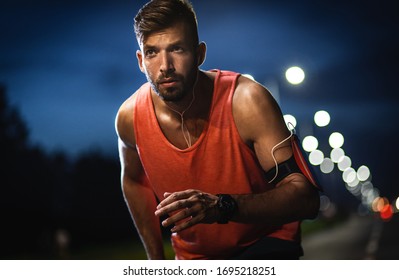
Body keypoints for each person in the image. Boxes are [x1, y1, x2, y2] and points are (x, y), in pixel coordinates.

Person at [115, 0, 321, 260]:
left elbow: (306, 199)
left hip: (265, 242)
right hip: (195, 257)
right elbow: (134, 181)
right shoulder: (129, 117)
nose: (165, 66)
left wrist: (222, 206)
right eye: (152, 52)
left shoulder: (247, 100)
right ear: (141, 61)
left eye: (177, 49)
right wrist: (156, 262)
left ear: (200, 53)